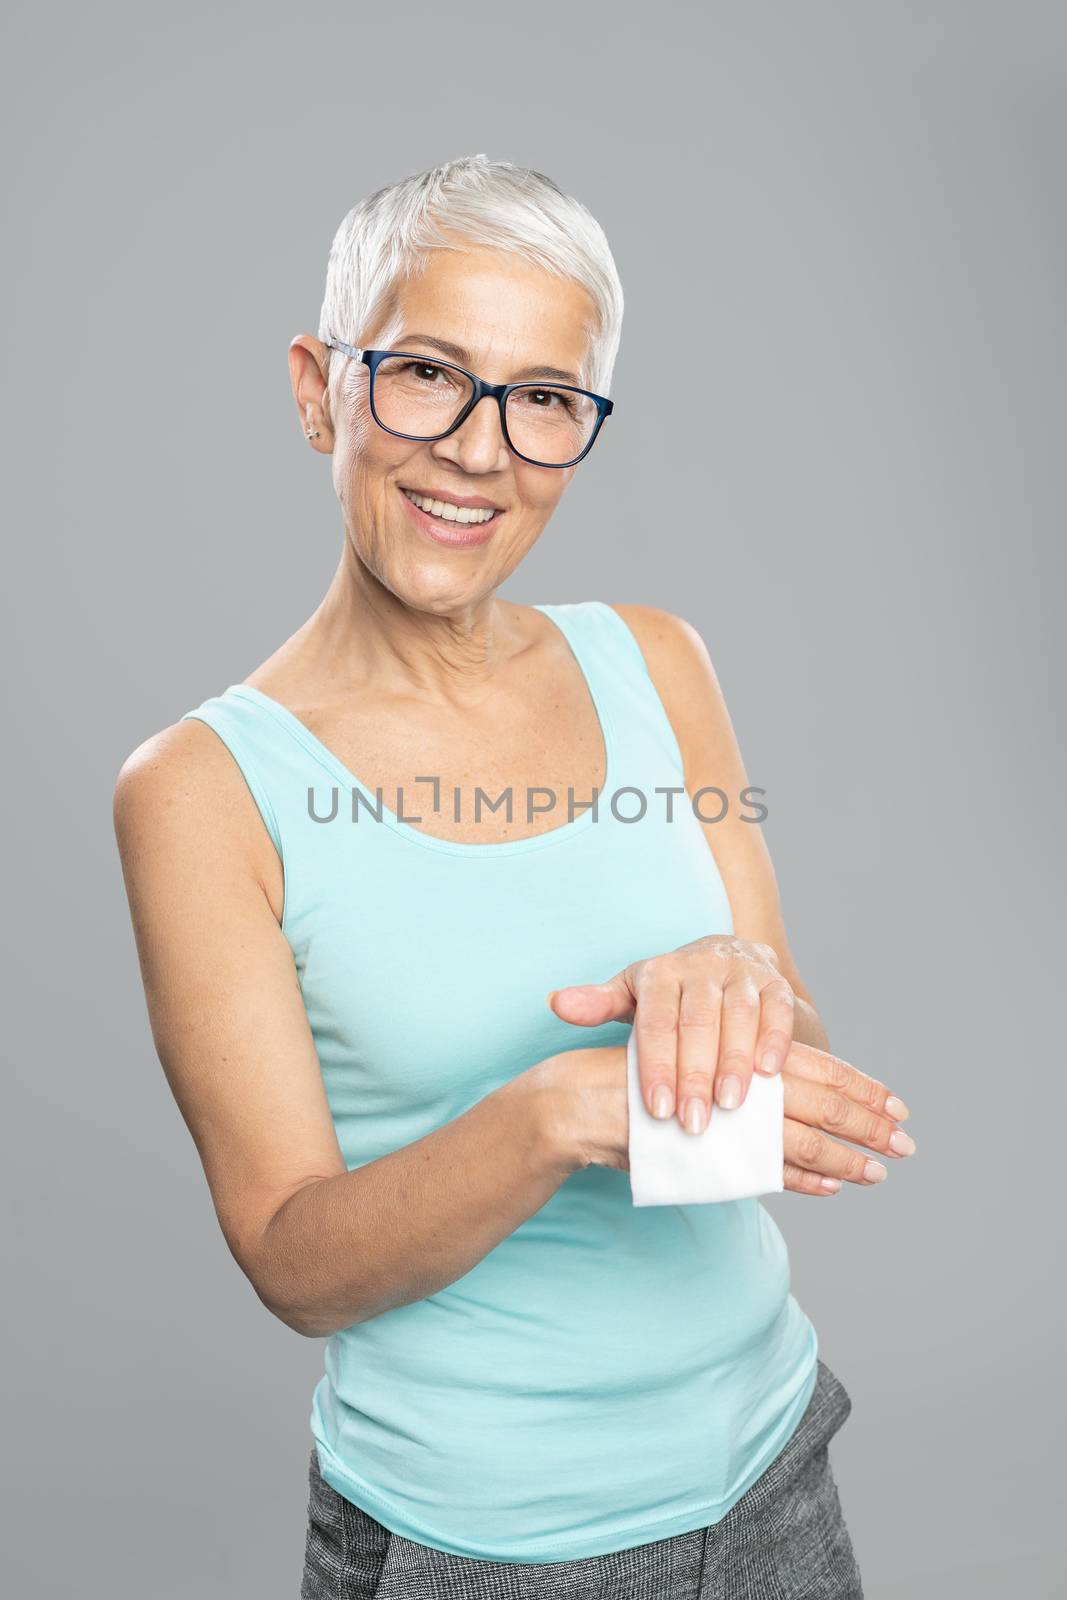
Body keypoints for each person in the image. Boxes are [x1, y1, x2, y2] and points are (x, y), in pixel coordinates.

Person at [114, 153, 914, 1598]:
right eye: (427, 372)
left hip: (776, 1470)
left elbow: (785, 1079)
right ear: (319, 389)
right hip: (484, 1548)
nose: (481, 450)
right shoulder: (201, 791)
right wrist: (555, 1114)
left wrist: (738, 986)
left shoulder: (659, 661)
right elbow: (294, 1265)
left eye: (545, 398)